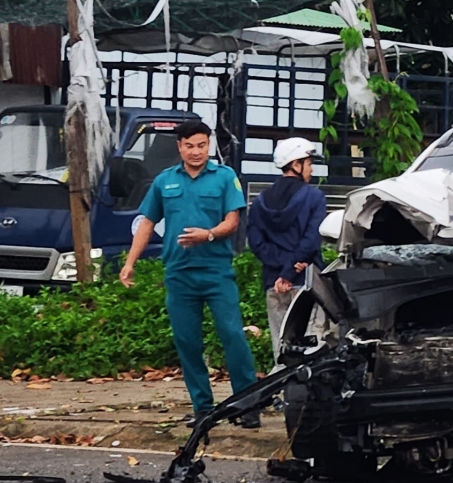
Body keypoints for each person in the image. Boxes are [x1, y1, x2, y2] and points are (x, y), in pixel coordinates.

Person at [119, 118, 260, 424]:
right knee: (187, 341)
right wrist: (130, 263)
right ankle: (203, 408)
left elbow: (232, 221)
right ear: (179, 147)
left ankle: (246, 405)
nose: (196, 152)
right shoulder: (164, 181)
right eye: (189, 146)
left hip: (216, 271)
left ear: (208, 145)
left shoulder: (224, 177)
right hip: (179, 273)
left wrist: (207, 235)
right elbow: (146, 222)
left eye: (202, 145)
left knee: (232, 335)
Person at [245, 137, 328, 360]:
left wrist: (281, 273)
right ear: (296, 164)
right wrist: (291, 271)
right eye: (309, 163)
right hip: (307, 283)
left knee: (281, 350)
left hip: (274, 284)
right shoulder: (314, 197)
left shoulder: (260, 201)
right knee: (313, 349)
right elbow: (312, 240)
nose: (311, 169)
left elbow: (256, 243)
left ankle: (285, 392)